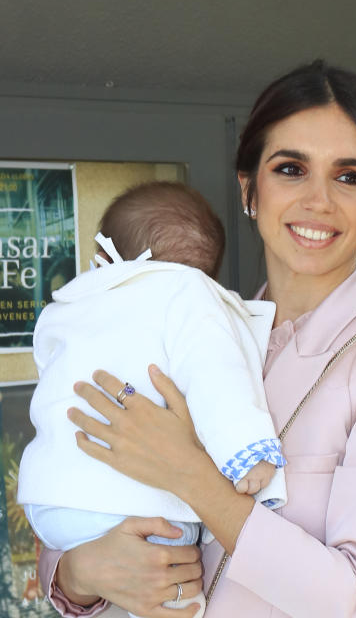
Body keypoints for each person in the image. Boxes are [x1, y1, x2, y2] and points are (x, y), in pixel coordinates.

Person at [38, 60, 356, 618]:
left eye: (349, 176)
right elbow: (84, 497)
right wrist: (77, 574)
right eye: (291, 169)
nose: (318, 200)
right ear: (250, 189)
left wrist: (191, 476)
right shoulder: (187, 330)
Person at [20, 181, 287, 617]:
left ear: (105, 257)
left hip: (50, 504)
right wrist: (246, 452)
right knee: (178, 601)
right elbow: (217, 377)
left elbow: (51, 376)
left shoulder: (65, 307)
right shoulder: (190, 298)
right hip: (140, 507)